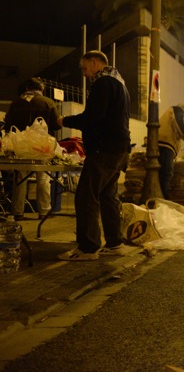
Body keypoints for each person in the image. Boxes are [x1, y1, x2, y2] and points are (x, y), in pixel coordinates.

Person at [57, 50, 132, 261]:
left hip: (104, 148)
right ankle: (115, 243)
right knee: (108, 196)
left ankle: (88, 247)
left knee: (85, 195)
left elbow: (93, 117)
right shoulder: (120, 83)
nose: (83, 73)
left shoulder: (103, 83)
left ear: (94, 62)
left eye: (84, 68)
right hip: (119, 148)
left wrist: (66, 121)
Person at [4, 77, 62, 220]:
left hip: (22, 147)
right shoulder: (48, 103)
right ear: (41, 89)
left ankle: (18, 211)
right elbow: (56, 125)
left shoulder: (16, 104)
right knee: (43, 178)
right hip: (42, 148)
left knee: (20, 178)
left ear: (26, 89)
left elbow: (8, 126)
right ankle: (44, 211)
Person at [158, 103, 184, 200]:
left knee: (162, 173)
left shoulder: (168, 115)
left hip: (162, 144)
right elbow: (179, 122)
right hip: (165, 144)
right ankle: (163, 198)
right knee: (166, 172)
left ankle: (161, 195)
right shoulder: (176, 110)